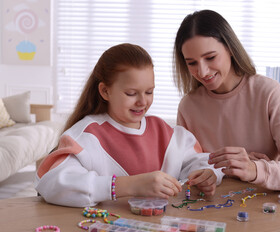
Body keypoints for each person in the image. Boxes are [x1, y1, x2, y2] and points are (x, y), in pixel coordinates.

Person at [35, 43, 223, 207]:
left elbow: (204, 160)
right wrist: (130, 185)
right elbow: (53, 184)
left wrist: (206, 174)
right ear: (105, 91)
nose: (142, 102)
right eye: (131, 94)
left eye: (149, 92)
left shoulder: (167, 133)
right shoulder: (85, 136)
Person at [173, 10, 280, 191]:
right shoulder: (188, 107)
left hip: (264, 208)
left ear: (230, 48)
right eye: (191, 63)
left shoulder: (268, 93)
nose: (202, 72)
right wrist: (213, 173)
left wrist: (254, 169)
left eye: (210, 57)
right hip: (213, 209)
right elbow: (184, 171)